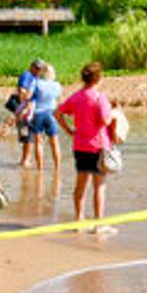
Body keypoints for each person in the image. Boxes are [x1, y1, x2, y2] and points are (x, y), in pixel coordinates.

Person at [55, 62, 118, 231]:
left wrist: (68, 130)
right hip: (98, 146)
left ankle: (78, 220)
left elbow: (57, 113)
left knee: (80, 185)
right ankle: (99, 224)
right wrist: (113, 114)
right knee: (99, 186)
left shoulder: (76, 97)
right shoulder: (100, 98)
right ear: (98, 78)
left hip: (80, 145)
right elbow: (105, 120)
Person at [31, 62, 63, 170]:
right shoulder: (57, 85)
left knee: (38, 142)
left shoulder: (36, 83)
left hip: (38, 113)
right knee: (54, 142)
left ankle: (40, 167)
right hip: (51, 113)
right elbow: (58, 98)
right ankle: (57, 167)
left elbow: (29, 96)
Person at [16, 59, 43, 168]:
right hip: (28, 109)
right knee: (28, 135)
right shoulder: (27, 75)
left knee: (29, 135)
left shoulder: (36, 77)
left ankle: (25, 159)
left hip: (31, 109)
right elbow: (22, 92)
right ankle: (25, 160)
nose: (38, 70)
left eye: (40, 69)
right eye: (36, 68)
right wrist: (26, 105)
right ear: (31, 66)